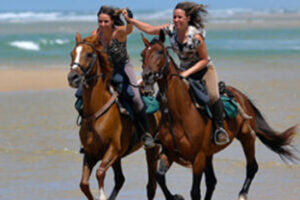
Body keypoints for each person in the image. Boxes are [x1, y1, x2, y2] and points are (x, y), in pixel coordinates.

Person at [122, 1, 229, 145]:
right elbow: (149, 29)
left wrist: (186, 74)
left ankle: (219, 129)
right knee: (163, 95)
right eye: (174, 17)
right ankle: (162, 130)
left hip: (203, 70)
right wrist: (130, 20)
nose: (176, 20)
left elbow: (203, 60)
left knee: (213, 95)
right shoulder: (170, 30)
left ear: (188, 18)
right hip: (183, 69)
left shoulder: (195, 37)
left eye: (180, 17)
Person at [78, 5, 155, 149]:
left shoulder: (118, 32)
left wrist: (129, 21)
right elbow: (88, 48)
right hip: (105, 69)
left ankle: (146, 134)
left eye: (106, 22)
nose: (102, 25)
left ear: (112, 21)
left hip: (122, 67)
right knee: (81, 95)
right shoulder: (96, 33)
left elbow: (128, 30)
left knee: (136, 98)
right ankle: (88, 134)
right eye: (100, 21)